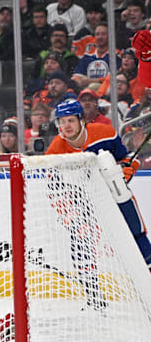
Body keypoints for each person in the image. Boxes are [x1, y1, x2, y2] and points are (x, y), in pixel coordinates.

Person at [46, 99, 151, 268]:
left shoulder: (105, 133)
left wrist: (127, 170)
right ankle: (89, 288)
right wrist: (65, 207)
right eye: (62, 121)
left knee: (135, 234)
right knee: (81, 243)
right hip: (82, 201)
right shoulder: (55, 149)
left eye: (71, 120)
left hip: (114, 193)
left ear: (82, 120)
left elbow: (127, 158)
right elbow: (53, 184)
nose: (66, 126)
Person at [72, 23, 121, 90]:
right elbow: (77, 74)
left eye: (103, 34)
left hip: (108, 89)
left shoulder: (116, 55)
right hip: (88, 90)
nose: (100, 37)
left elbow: (117, 77)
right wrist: (77, 80)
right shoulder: (88, 55)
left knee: (93, 86)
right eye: (97, 34)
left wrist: (95, 81)